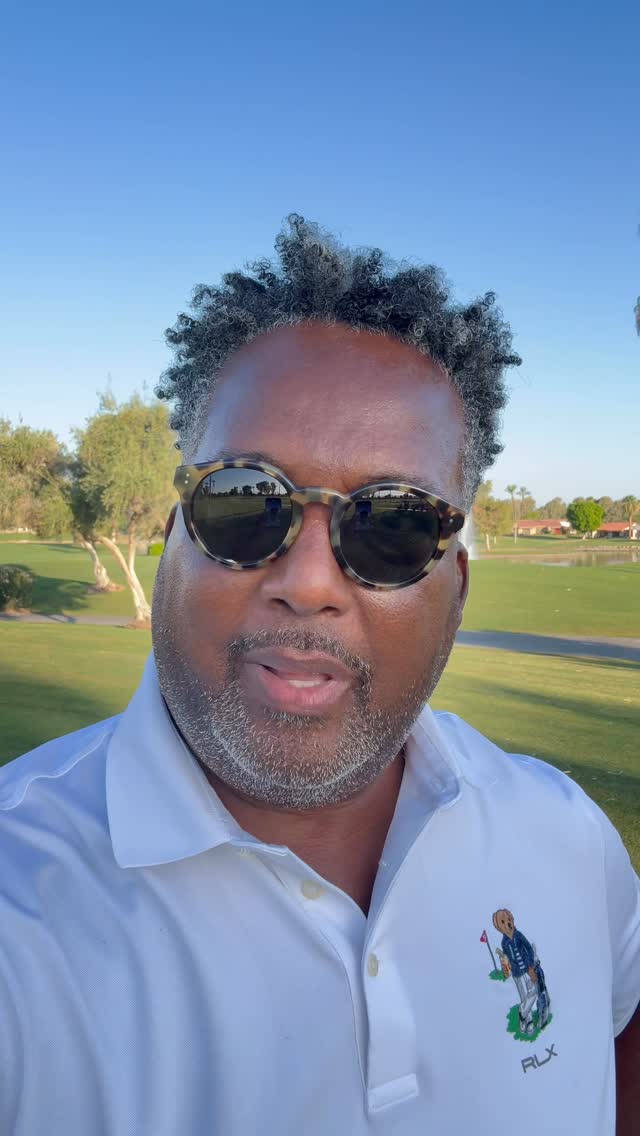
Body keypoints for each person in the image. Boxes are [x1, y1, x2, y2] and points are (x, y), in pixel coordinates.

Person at [1, 215, 638, 1135]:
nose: (307, 583)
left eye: (392, 526)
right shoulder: (22, 903)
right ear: (172, 539)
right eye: (244, 503)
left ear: (456, 588)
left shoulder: (566, 835)